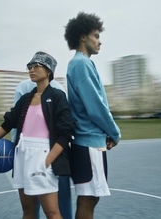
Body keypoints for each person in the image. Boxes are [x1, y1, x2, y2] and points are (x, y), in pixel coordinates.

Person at [0, 51, 75, 219]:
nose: (31, 70)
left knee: (52, 212)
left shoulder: (57, 96)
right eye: (29, 67)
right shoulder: (25, 98)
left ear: (48, 71)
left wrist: (46, 162)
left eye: (36, 66)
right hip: (22, 154)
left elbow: (66, 133)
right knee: (28, 211)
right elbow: (8, 123)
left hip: (43, 155)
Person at [64, 12, 121, 219]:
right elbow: (96, 107)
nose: (100, 41)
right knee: (88, 199)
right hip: (87, 143)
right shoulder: (80, 64)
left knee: (90, 198)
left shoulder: (83, 63)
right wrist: (115, 133)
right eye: (96, 35)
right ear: (82, 37)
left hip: (90, 142)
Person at [12, 78, 73, 219]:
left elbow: (18, 126)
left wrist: (15, 150)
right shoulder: (58, 88)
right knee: (58, 208)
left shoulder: (22, 86)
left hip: (36, 154)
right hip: (54, 154)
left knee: (31, 209)